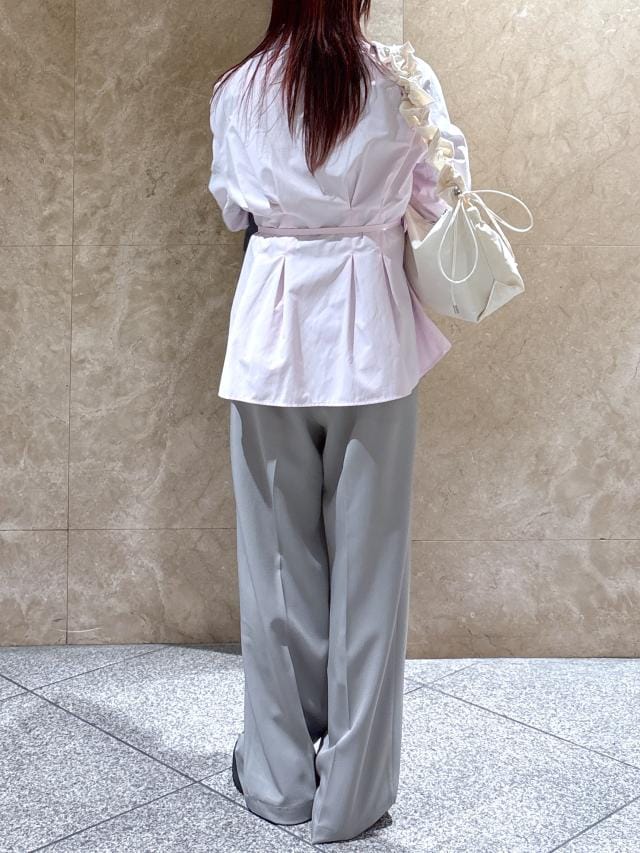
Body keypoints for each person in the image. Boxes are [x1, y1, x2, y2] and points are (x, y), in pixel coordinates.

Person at [207, 1, 471, 844]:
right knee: (370, 573)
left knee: (277, 568)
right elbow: (443, 194)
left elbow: (235, 209)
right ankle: (352, 797)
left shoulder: (239, 89)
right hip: (373, 339)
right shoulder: (403, 81)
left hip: (271, 336)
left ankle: (281, 780)